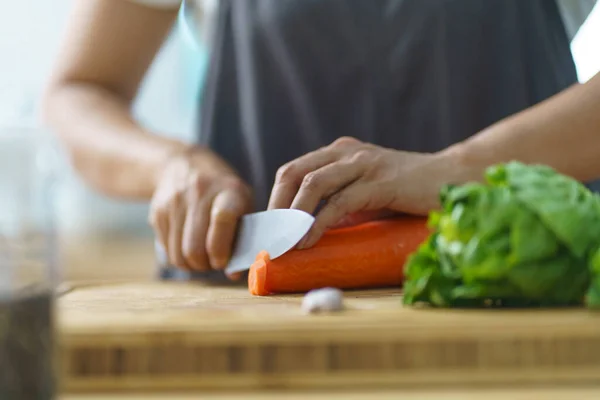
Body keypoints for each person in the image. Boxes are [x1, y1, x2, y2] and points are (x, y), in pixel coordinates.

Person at [43, 0, 598, 279]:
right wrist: (171, 166)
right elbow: (80, 91)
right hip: (248, 329)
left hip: (520, 300)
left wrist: (460, 169)